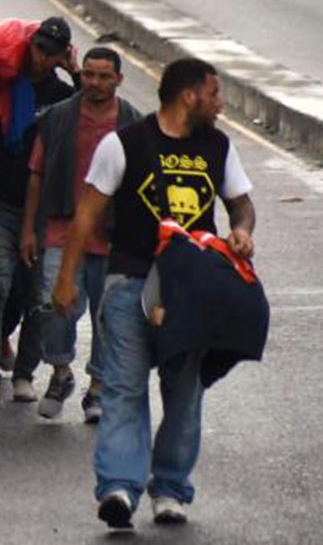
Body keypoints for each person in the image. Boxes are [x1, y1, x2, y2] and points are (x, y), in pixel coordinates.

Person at [53, 57, 255, 530]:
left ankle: (170, 489)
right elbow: (86, 215)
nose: (220, 104)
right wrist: (65, 278)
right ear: (190, 95)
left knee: (185, 391)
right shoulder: (124, 144)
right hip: (129, 282)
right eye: (215, 94)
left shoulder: (219, 147)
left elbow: (241, 203)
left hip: (192, 291)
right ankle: (119, 488)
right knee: (123, 387)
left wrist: (241, 230)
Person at [24, 47, 141, 425]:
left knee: (110, 318)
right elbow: (36, 175)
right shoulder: (58, 119)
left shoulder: (135, 126)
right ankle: (60, 373)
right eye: (89, 74)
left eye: (104, 76)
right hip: (62, 231)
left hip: (114, 238)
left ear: (119, 80)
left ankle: (98, 389)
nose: (95, 83)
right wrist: (28, 229)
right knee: (54, 308)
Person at [0, 16, 75, 410]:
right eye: (39, 49)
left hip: (48, 213)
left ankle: (26, 372)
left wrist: (77, 74)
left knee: (38, 298)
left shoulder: (65, 96)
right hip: (1, 203)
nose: (42, 59)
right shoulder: (2, 88)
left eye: (52, 54)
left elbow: (88, 127)